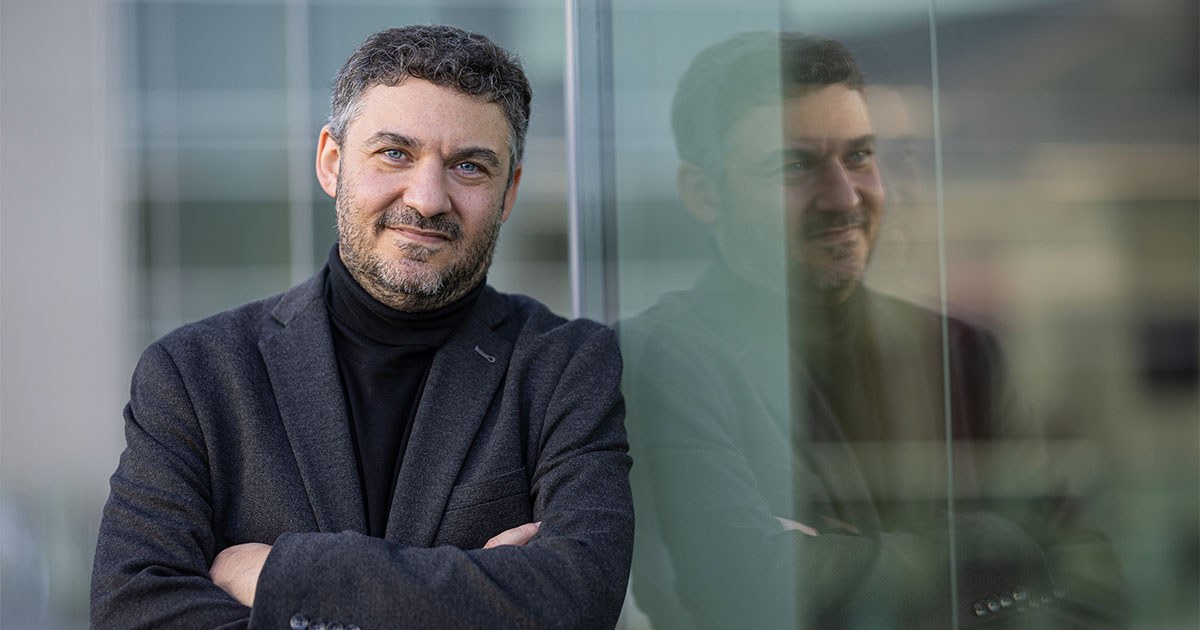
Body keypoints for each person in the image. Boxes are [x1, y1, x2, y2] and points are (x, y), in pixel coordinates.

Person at [91, 25, 633, 630]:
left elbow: (577, 600)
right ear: (332, 161)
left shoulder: (566, 367)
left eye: (470, 166)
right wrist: (478, 595)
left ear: (508, 193)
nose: (428, 198)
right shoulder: (195, 373)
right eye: (395, 153)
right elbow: (133, 612)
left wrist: (285, 577)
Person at [620, 32, 1124, 629]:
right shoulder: (658, 359)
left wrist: (845, 551)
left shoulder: (960, 350)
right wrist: (995, 543)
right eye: (794, 165)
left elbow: (1097, 580)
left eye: (859, 156)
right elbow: (753, 593)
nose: (843, 196)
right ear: (703, 194)